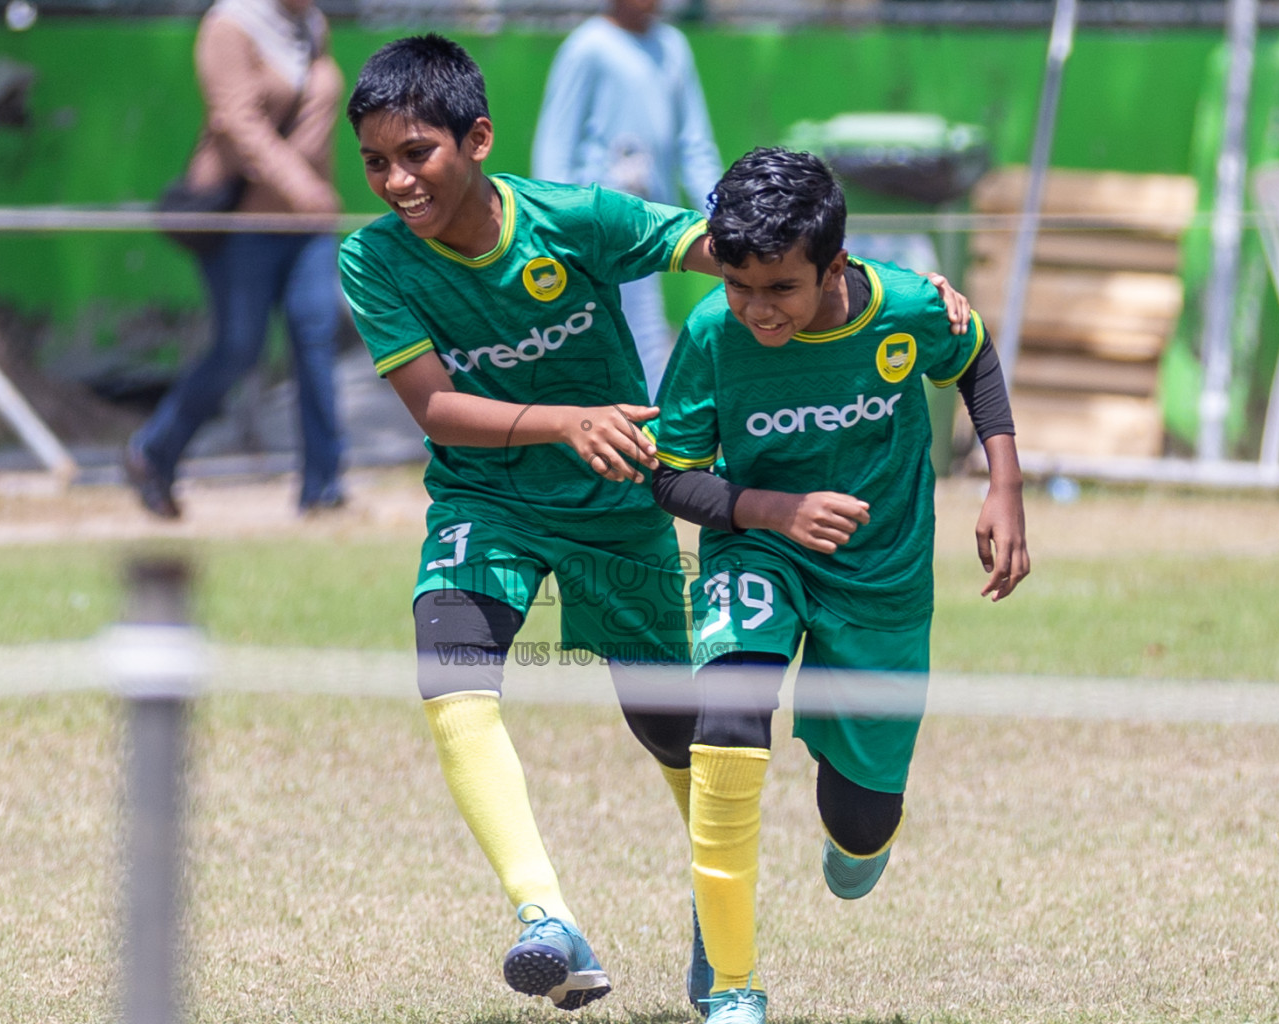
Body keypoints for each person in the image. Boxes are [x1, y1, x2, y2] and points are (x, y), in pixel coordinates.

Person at [339, 37, 972, 1014]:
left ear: (478, 139)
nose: (396, 180)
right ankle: (543, 917)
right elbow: (434, 406)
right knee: (451, 671)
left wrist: (890, 292)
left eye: (415, 153)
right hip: (486, 502)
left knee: (680, 730)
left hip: (617, 502)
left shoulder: (576, 219)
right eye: (376, 161)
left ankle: (706, 923)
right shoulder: (372, 258)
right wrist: (566, 422)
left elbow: (736, 246)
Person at [648, 148, 1030, 1023]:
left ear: (835, 266)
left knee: (859, 825)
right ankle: (731, 980)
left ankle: (853, 820)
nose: (755, 308)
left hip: (880, 574)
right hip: (757, 550)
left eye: (779, 288)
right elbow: (671, 478)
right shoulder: (712, 334)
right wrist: (772, 511)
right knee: (729, 720)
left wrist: (1002, 484)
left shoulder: (905, 308)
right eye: (738, 284)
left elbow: (971, 358)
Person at [125, 0, 346, 519]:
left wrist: (314, 197)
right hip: (243, 222)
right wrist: (302, 187)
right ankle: (153, 452)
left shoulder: (312, 24)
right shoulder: (229, 26)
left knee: (316, 340)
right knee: (239, 348)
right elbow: (237, 121)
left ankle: (324, 487)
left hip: (307, 225)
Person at [531, 0, 722, 398]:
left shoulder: (672, 46)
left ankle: (648, 443)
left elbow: (695, 143)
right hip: (594, 229)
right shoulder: (588, 46)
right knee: (617, 337)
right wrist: (553, 227)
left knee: (646, 337)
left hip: (650, 227)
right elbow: (556, 142)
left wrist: (724, 216)